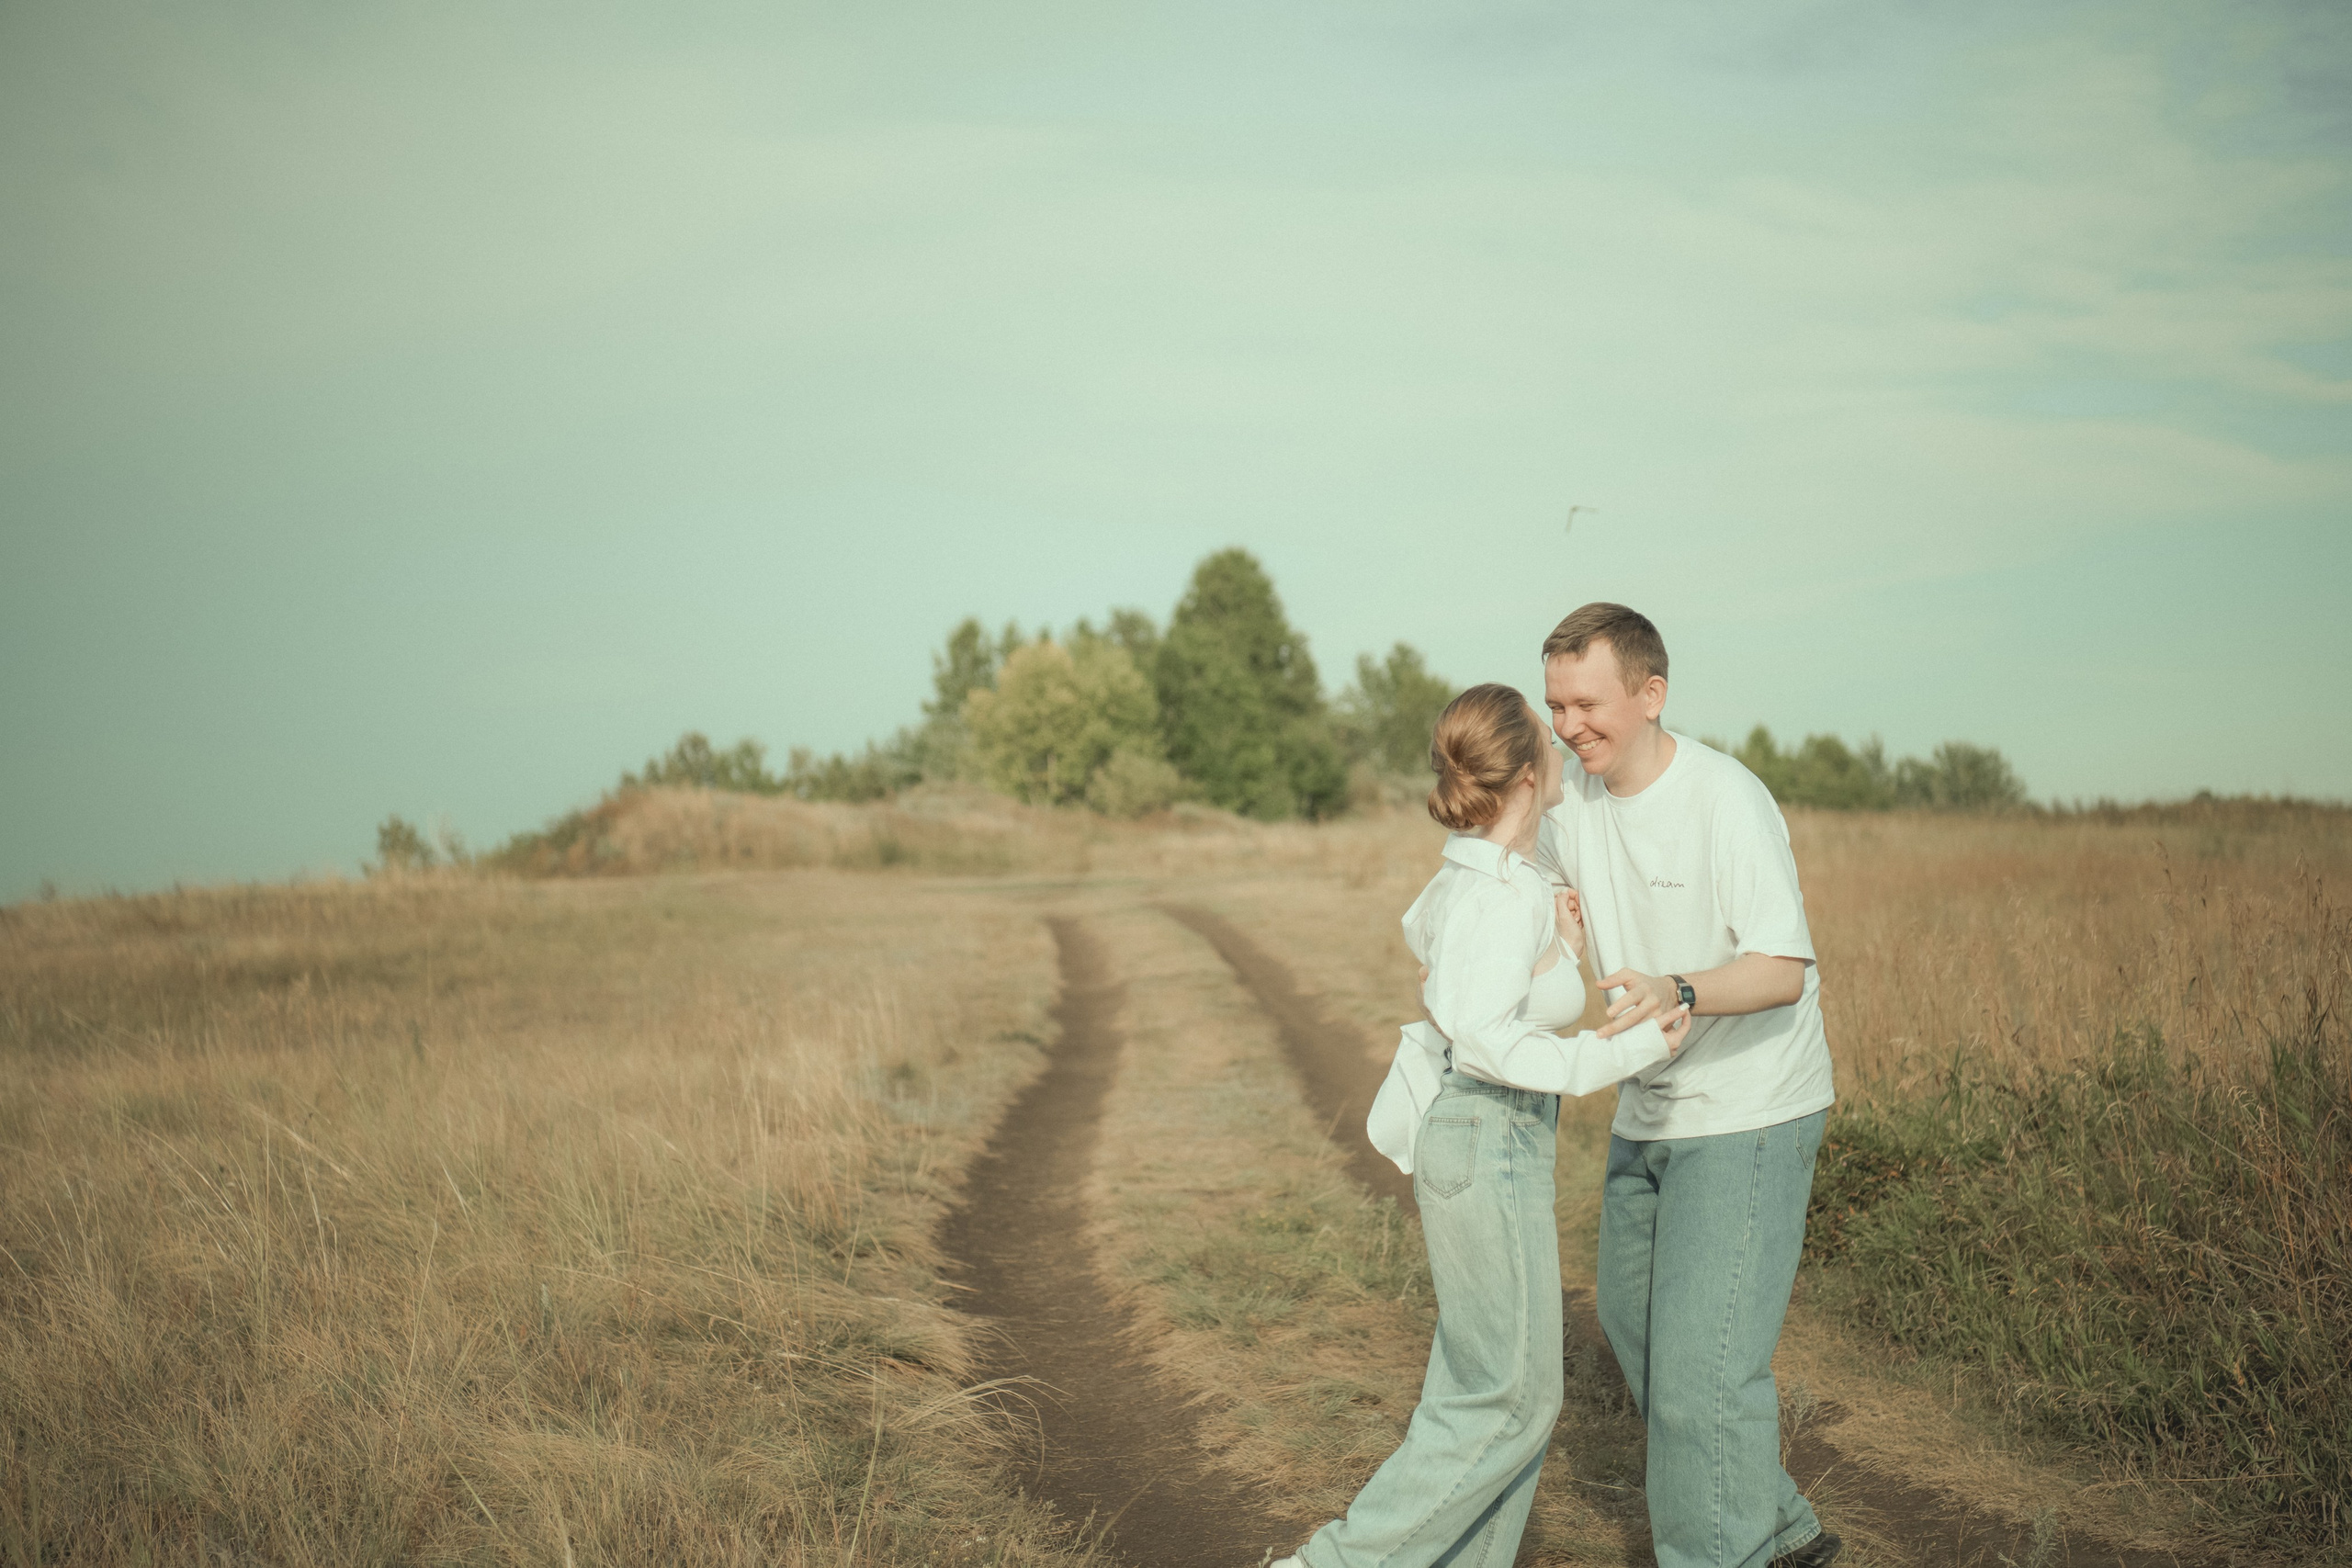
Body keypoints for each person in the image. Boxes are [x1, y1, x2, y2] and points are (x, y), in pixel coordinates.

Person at [1280, 682, 1690, 1568]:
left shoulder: (1486, 879)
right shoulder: (1498, 893)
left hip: (1494, 1137)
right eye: (1552, 739)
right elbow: (1490, 1040)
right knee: (1505, 1398)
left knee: (1501, 1390)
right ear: (1532, 774)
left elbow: (1447, 959)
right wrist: (1623, 1052)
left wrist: (1558, 951)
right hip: (1486, 1131)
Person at [1537, 603, 1840, 1568]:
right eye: (1555, 706)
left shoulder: (1725, 798)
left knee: (1702, 1379)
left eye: (1586, 703)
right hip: (1652, 1105)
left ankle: (1724, 1551)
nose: (1569, 725)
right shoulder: (1573, 803)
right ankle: (1779, 1527)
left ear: (1650, 693)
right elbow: (1537, 899)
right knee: (1639, 1332)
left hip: (1750, 1110)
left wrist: (1679, 987)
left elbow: (1781, 970)